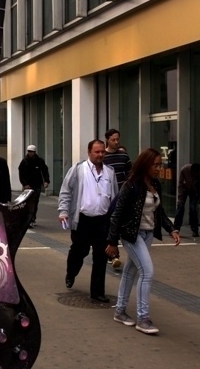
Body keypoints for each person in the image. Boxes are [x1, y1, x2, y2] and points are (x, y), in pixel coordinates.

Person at [106, 148, 180, 334]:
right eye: (155, 165)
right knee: (147, 272)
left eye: (159, 164)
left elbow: (159, 211)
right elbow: (117, 214)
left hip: (147, 234)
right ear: (145, 165)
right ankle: (143, 318)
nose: (158, 168)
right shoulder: (131, 185)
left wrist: (172, 229)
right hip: (131, 235)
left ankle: (120, 311)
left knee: (130, 272)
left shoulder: (155, 184)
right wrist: (112, 242)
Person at [58, 139, 118, 302]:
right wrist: (63, 211)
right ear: (89, 152)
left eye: (102, 152)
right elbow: (66, 191)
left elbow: (115, 199)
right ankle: (71, 273)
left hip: (103, 222)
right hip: (83, 220)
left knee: (101, 256)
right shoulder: (78, 170)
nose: (100, 155)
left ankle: (97, 292)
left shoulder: (109, 173)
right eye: (96, 152)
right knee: (79, 251)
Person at [102, 129, 132, 268]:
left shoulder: (123, 155)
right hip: (108, 196)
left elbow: (130, 173)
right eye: (113, 139)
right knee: (111, 224)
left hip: (123, 195)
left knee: (120, 223)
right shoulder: (103, 156)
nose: (116, 142)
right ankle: (113, 255)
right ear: (107, 139)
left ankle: (114, 253)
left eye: (117, 139)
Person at [18, 144, 50, 226]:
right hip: (28, 186)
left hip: (36, 185)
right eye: (29, 152)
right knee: (27, 202)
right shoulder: (24, 162)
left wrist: (46, 181)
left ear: (35, 152)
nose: (30, 153)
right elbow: (21, 174)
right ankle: (27, 218)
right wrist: (24, 184)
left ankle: (32, 218)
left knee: (35, 202)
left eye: (32, 152)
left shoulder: (39, 161)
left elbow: (45, 170)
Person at [173, 162, 200, 237]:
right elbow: (180, 184)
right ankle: (176, 228)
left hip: (195, 190)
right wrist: (180, 198)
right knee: (180, 207)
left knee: (193, 209)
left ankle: (195, 230)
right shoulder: (185, 169)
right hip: (184, 189)